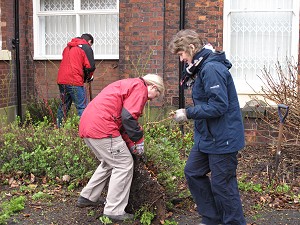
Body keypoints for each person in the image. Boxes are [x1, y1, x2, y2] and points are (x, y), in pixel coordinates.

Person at [169, 29, 246, 225]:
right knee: (193, 172)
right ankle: (212, 218)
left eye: (182, 54)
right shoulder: (200, 68)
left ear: (192, 48)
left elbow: (219, 106)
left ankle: (234, 222)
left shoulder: (211, 68)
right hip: (207, 137)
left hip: (223, 138)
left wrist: (188, 113)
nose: (182, 59)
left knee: (223, 185)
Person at [76, 74, 164, 221]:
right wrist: (139, 140)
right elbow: (128, 117)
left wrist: (131, 143)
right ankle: (114, 210)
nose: (151, 100)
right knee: (123, 164)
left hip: (89, 125)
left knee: (109, 162)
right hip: (102, 127)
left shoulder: (128, 84)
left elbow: (123, 120)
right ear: (153, 87)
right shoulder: (139, 88)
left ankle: (88, 197)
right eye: (155, 96)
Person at [56, 33, 96, 128]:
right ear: (89, 42)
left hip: (62, 80)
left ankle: (58, 128)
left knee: (64, 105)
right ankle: (85, 130)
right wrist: (89, 77)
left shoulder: (67, 47)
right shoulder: (86, 47)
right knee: (82, 106)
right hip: (74, 81)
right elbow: (90, 67)